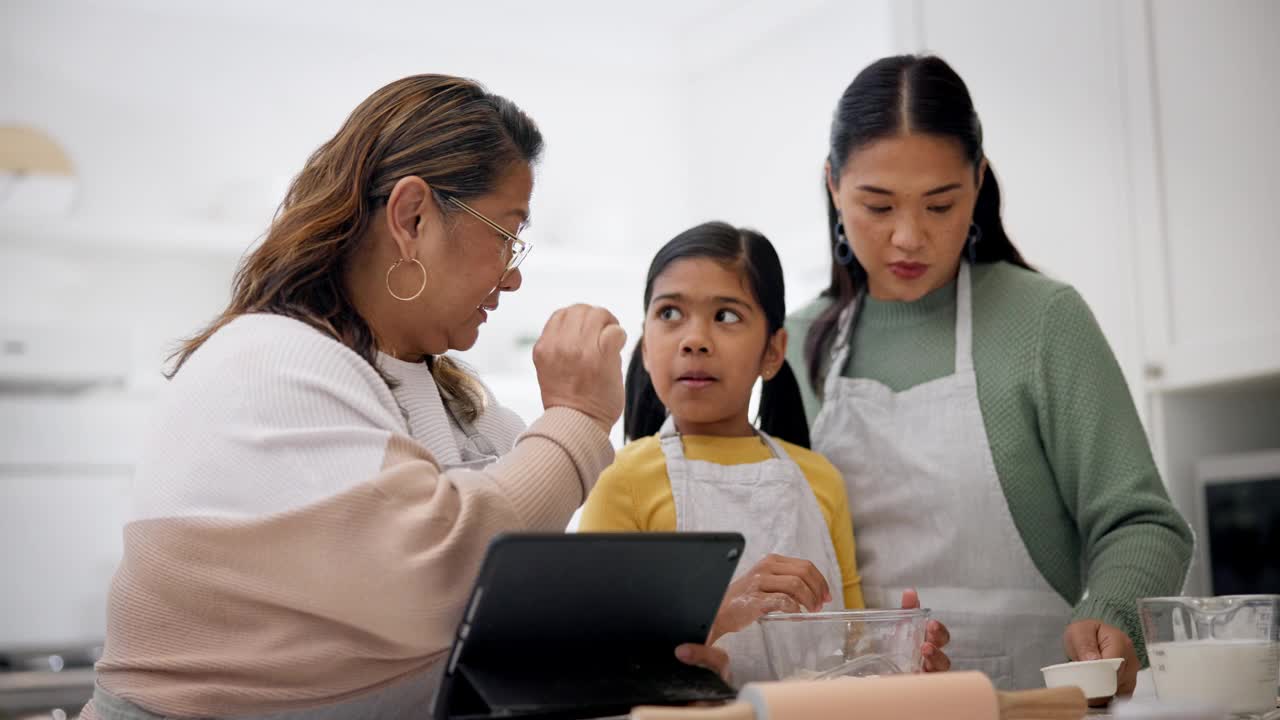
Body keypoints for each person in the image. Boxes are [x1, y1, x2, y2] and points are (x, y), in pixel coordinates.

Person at [83, 74, 723, 720]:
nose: (514, 272)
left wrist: (673, 640)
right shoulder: (269, 362)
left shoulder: (451, 397)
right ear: (412, 217)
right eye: (505, 234)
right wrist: (579, 418)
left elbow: (518, 607)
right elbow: (450, 574)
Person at [785, 55, 1193, 694]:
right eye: (878, 205)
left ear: (977, 182)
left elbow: (1143, 522)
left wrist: (1113, 612)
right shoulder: (795, 347)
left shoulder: (1042, 320)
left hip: (1037, 701)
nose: (908, 237)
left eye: (940, 205)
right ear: (833, 184)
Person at [580, 221, 949, 683]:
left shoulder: (819, 479)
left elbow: (852, 649)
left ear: (773, 351)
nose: (694, 339)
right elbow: (592, 657)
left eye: (727, 316)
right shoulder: (620, 478)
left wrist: (902, 656)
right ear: (646, 346)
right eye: (670, 313)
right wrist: (724, 611)